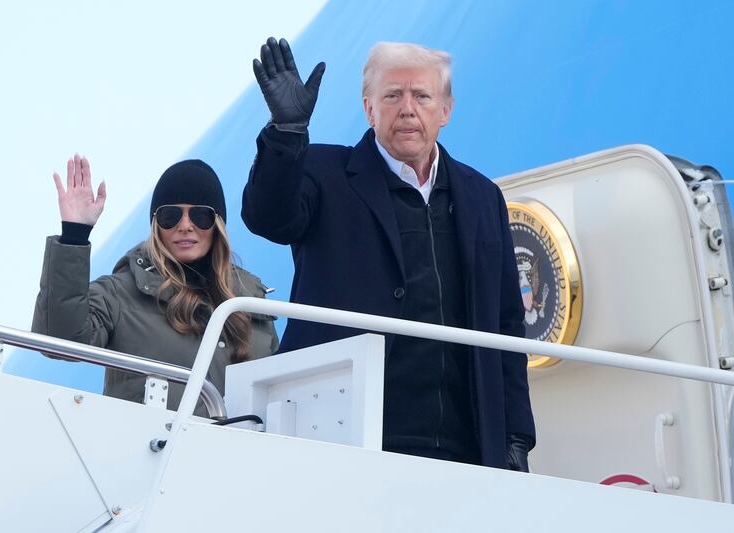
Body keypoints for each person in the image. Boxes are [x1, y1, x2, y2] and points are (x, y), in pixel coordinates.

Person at [242, 38, 534, 469]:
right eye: (392, 95)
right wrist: (287, 134)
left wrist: (515, 437)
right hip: (347, 435)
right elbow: (268, 217)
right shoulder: (322, 172)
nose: (407, 108)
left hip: (465, 447)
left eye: (421, 96)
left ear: (445, 110)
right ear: (369, 108)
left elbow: (507, 323)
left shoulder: (482, 196)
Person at [33, 155, 278, 415]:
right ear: (155, 225)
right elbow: (59, 340)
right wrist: (74, 235)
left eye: (200, 215)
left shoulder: (251, 303)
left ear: (217, 224)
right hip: (152, 451)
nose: (185, 226)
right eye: (170, 215)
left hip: (244, 453)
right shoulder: (121, 293)